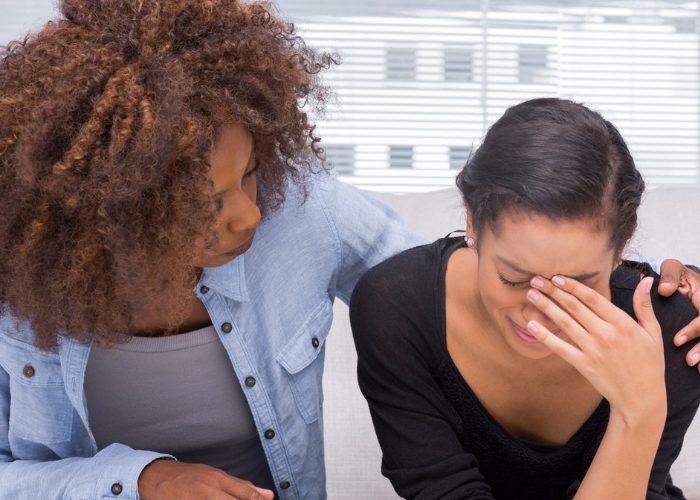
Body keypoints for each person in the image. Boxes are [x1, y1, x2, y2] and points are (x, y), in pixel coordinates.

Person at [0, 1, 698, 499]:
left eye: (250, 175)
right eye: (205, 204)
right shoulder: (21, 289)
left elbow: (465, 273)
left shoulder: (304, 212)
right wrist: (142, 480)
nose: (248, 216)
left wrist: (668, 291)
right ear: (107, 210)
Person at [350, 98, 700, 499]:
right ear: (472, 224)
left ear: (621, 247)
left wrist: (639, 411)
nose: (539, 316)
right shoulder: (396, 308)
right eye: (514, 277)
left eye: (575, 285)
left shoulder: (673, 332)